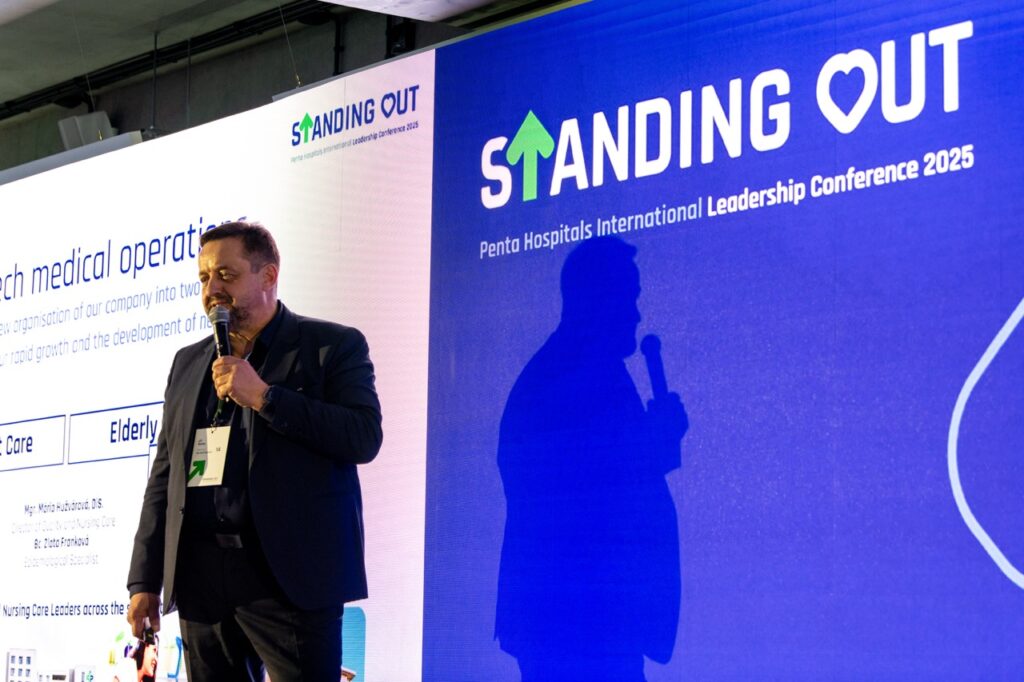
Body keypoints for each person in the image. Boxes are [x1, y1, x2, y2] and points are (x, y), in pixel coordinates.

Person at [126, 221, 383, 681]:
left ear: (269, 276)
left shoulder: (331, 346)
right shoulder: (188, 363)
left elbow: (363, 436)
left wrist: (265, 397)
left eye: (226, 274)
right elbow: (164, 476)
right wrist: (144, 580)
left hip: (289, 579)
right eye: (204, 278)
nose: (212, 289)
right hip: (202, 579)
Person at [495, 236, 687, 681]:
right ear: (597, 299)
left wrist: (653, 446)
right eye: (628, 297)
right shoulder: (568, 377)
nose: (637, 314)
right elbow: (580, 492)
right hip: (576, 621)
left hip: (593, 619)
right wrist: (653, 446)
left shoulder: (587, 369)